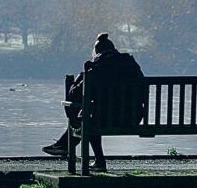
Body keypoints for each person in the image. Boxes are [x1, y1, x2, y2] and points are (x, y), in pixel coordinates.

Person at [42, 32, 144, 171]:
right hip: (134, 117)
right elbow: (143, 91)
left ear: (97, 52)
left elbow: (75, 95)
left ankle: (77, 152)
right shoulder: (131, 65)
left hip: (106, 119)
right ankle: (63, 146)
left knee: (87, 119)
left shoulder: (97, 68)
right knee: (89, 117)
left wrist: (80, 78)